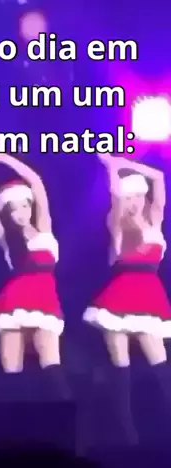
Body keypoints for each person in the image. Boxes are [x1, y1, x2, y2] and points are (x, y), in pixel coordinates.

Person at [84, 153, 170, 441]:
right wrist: (113, 171)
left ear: (144, 197)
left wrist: (122, 164)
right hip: (118, 298)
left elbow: (158, 177)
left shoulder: (155, 221)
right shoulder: (117, 222)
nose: (132, 202)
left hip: (149, 298)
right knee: (121, 369)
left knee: (161, 365)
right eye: (127, 197)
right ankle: (127, 434)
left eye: (137, 196)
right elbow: (115, 198)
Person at [0, 152, 69, 399]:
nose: (20, 212)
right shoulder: (8, 239)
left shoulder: (44, 229)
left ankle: (66, 419)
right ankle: (12, 421)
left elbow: (36, 182)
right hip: (14, 302)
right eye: (13, 209)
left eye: (24, 205)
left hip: (44, 300)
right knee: (11, 372)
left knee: (52, 366)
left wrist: (3, 158)